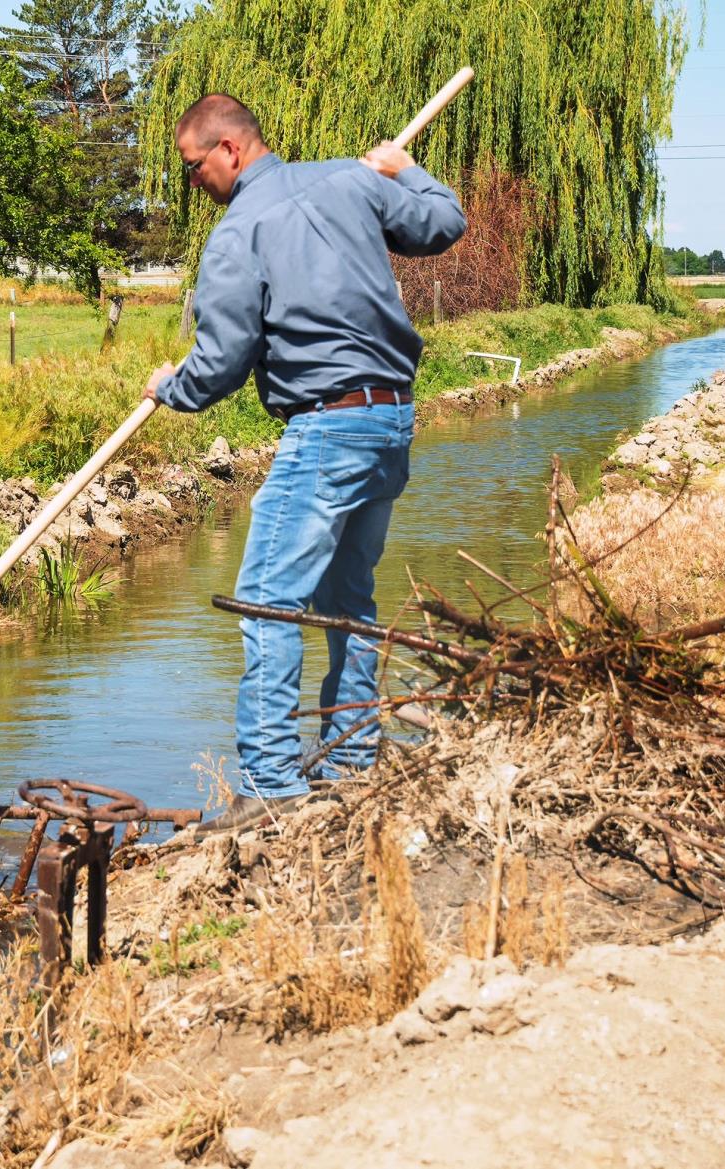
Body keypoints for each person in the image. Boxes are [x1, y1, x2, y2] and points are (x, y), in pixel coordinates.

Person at [143, 93, 466, 835]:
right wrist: (408, 171)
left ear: (229, 149)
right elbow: (444, 219)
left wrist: (171, 387)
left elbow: (221, 362)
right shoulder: (349, 182)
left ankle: (269, 785)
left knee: (266, 600)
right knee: (347, 598)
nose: (195, 185)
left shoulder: (238, 234)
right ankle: (354, 760)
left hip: (325, 428)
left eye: (195, 169)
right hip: (391, 418)